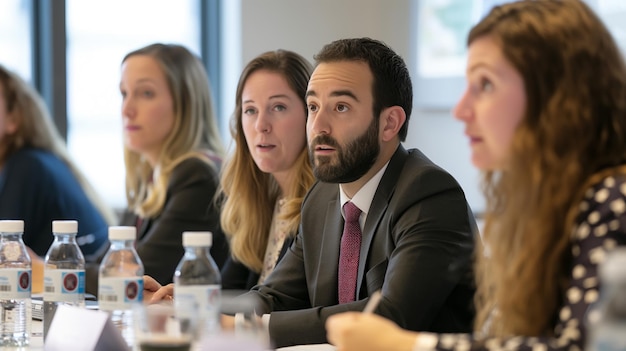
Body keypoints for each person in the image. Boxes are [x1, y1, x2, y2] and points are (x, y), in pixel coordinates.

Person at [325, 1, 626, 351]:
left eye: (485, 85)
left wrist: (405, 345)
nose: (460, 109)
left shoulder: (614, 202)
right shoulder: (544, 210)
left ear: (556, 96)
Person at [214, 37, 478, 348]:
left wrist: (252, 328)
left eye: (340, 107)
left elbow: (388, 316)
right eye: (313, 106)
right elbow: (275, 296)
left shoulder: (429, 194)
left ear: (389, 123)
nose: (319, 126)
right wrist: (192, 310)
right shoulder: (322, 197)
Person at [85, 43, 229, 295]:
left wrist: (55, 269)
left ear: (185, 103)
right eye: (124, 93)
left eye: (146, 93)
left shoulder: (198, 176)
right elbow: (105, 263)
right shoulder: (150, 178)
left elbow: (137, 276)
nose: (127, 110)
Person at [218, 50, 315, 291]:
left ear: (310, 115)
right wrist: (177, 300)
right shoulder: (264, 204)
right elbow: (227, 296)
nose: (261, 125)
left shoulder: (322, 208)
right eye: (250, 110)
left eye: (278, 107)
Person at [0, 64, 115, 258]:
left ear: (14, 119)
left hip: (80, 284)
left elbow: (5, 252)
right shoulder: (39, 159)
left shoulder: (27, 166)